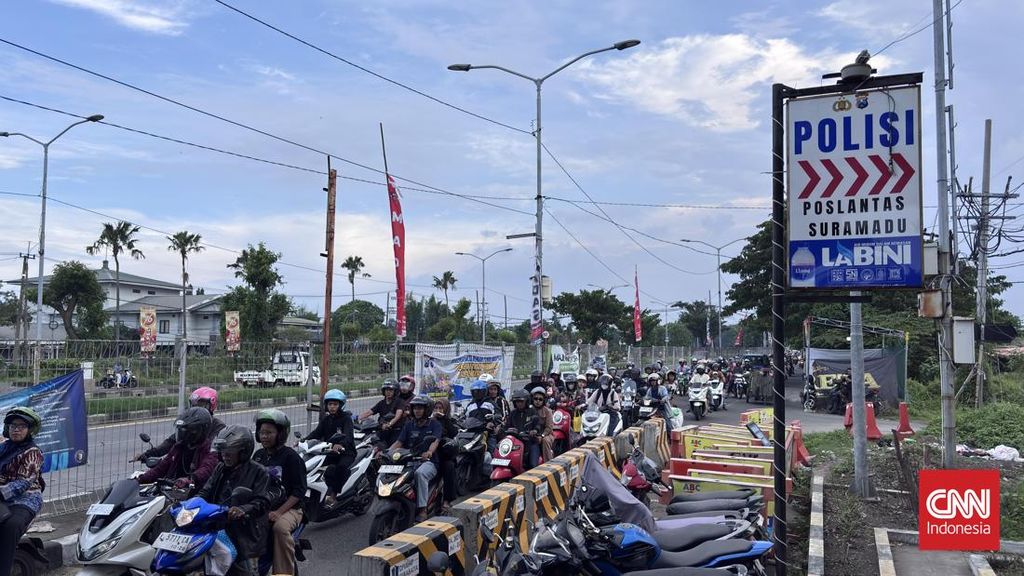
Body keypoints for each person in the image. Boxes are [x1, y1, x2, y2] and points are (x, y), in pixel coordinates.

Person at [198, 425, 270, 576]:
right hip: (217, 525)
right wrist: (191, 503)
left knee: (244, 572)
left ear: (243, 452)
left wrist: (242, 510)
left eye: (230, 452)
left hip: (244, 530)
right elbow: (207, 490)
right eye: (223, 452)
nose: (225, 456)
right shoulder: (220, 468)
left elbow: (262, 501)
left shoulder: (258, 471)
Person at [252, 410, 306, 576]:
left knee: (280, 528)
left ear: (280, 434)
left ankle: (284, 572)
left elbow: (299, 490)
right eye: (261, 432)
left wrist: (279, 512)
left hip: (290, 509)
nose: (264, 436)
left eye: (269, 432)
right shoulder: (258, 456)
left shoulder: (291, 457)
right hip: (262, 506)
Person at [0, 407, 44, 576]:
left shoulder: (33, 453)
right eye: (12, 426)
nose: (16, 429)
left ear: (29, 430)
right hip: (3, 497)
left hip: (25, 499)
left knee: (11, 526)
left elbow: (23, 483)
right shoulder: (4, 447)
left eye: (21, 426)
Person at [138, 407, 218, 490]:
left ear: (201, 430)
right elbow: (161, 468)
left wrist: (190, 479)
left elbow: (205, 470)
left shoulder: (210, 451)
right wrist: (139, 479)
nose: (184, 433)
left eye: (189, 429)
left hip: (196, 494)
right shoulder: (178, 447)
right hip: (172, 490)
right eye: (182, 429)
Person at [389, 396, 442, 522]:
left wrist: (429, 452)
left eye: (420, 408)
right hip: (409, 460)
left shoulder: (435, 425)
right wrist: (386, 452)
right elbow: (399, 442)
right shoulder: (409, 425)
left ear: (427, 410)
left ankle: (423, 509)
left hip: (429, 462)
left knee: (420, 474)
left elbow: (435, 441)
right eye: (415, 408)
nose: (417, 411)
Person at [138, 386, 226, 460]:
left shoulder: (218, 426)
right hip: (184, 465)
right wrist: (148, 454)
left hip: (204, 465)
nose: (196, 408)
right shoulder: (189, 423)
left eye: (201, 405)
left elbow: (213, 449)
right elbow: (171, 441)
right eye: (194, 405)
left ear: (211, 405)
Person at [305, 389, 355, 506]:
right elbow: (316, 433)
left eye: (335, 404)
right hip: (330, 451)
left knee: (340, 468)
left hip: (346, 452)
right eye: (330, 404)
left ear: (341, 405)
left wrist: (340, 445)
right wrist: (303, 441)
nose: (332, 407)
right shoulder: (326, 419)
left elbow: (348, 436)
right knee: (315, 466)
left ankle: (333, 495)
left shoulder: (346, 418)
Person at [358, 381, 405, 447]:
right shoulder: (381, 403)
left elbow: (397, 416)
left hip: (396, 431)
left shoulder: (399, 402)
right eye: (386, 390)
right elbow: (370, 412)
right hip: (382, 430)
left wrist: (389, 424)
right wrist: (358, 418)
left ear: (395, 391)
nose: (388, 392)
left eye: (391, 390)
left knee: (392, 449)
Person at [504, 389, 542, 470]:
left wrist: (535, 430)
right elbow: (507, 426)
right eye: (517, 401)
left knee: (533, 465)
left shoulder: (532, 411)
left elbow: (538, 424)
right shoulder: (513, 413)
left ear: (527, 401)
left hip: (530, 442)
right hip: (515, 443)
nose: (519, 403)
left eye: (521, 401)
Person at [432, 398, 458, 513]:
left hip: (444, 453)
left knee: (449, 467)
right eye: (436, 408)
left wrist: (444, 418)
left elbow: (453, 432)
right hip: (430, 453)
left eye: (440, 408)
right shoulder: (429, 421)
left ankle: (447, 500)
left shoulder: (449, 420)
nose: (438, 410)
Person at [530, 387, 555, 461]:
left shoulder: (548, 411)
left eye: (540, 399)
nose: (538, 401)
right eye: (535, 398)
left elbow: (549, 428)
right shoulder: (529, 410)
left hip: (546, 434)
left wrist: (542, 436)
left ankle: (548, 463)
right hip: (532, 433)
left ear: (544, 400)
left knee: (545, 441)